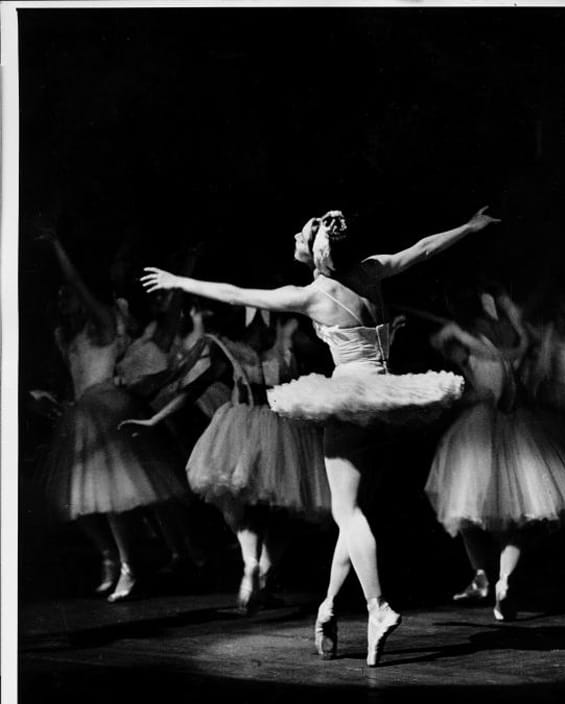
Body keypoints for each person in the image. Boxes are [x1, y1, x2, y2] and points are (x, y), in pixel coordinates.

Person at [139, 205, 498, 665]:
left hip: (349, 398)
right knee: (351, 514)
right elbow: (424, 248)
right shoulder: (372, 271)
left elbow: (233, 293)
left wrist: (180, 282)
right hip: (386, 394)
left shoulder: (310, 295)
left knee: (347, 513)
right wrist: (469, 227)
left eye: (301, 234)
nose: (295, 237)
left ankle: (377, 607)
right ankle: (328, 609)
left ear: (316, 251)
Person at [426, 292, 565, 620]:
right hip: (516, 423)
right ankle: (501, 581)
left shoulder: (468, 339)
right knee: (519, 515)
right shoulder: (513, 334)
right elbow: (510, 351)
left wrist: (456, 336)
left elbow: (479, 367)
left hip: (487, 426)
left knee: (469, 509)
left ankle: (485, 577)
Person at [121, 309, 331, 612]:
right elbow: (193, 388)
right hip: (269, 428)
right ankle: (257, 571)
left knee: (266, 507)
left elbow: (195, 388)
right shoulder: (248, 346)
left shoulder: (283, 340)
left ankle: (256, 569)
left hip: (265, 425)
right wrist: (154, 419)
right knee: (267, 505)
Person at [37, 228, 190, 601]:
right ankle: (111, 557)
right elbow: (72, 375)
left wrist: (58, 247)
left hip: (107, 411)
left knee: (112, 499)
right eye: (61, 297)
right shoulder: (67, 335)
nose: (64, 301)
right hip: (82, 413)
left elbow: (78, 285)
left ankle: (129, 566)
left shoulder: (104, 325)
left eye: (69, 297)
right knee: (75, 501)